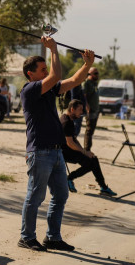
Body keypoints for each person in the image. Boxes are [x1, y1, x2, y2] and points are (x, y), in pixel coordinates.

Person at [18, 36, 95, 252]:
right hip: (40, 152)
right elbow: (56, 75)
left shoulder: (49, 88)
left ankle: (52, 237)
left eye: (45, 69)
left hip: (56, 152)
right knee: (35, 196)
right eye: (41, 69)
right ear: (30, 74)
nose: (45, 72)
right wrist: (53, 49)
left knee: (61, 194)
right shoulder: (30, 89)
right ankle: (26, 237)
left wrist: (87, 65)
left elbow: (72, 81)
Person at [61, 99, 116, 196]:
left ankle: (103, 187)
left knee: (93, 159)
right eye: (80, 109)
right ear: (72, 109)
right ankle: (69, 178)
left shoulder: (69, 119)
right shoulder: (66, 122)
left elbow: (74, 140)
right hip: (65, 152)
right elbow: (70, 143)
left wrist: (84, 151)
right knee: (91, 163)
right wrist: (84, 152)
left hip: (70, 150)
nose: (82, 112)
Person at [82, 67, 100, 151]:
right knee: (89, 130)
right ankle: (87, 150)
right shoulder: (87, 83)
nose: (97, 75)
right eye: (95, 73)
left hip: (96, 109)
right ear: (90, 74)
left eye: (97, 73)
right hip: (90, 110)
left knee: (91, 131)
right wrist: (87, 106)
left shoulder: (94, 83)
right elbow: (83, 96)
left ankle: (88, 149)